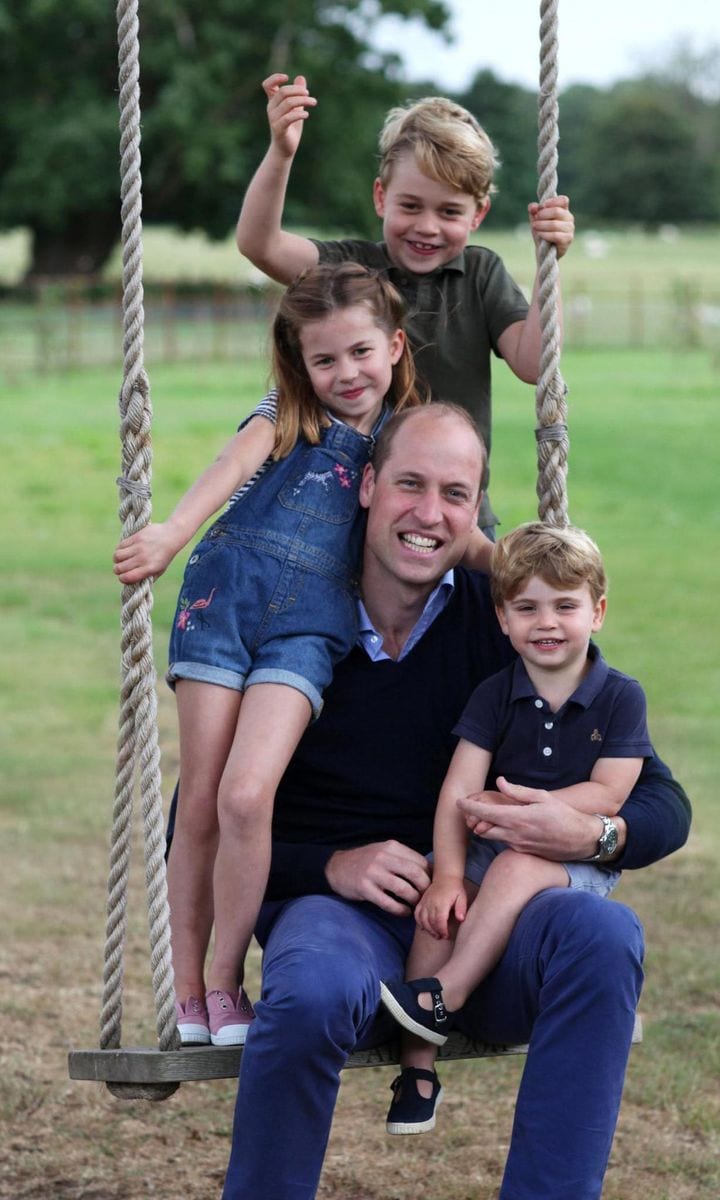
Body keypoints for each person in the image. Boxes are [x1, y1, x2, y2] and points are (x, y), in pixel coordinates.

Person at [218, 404, 691, 1200]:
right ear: (367, 486)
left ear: (475, 513)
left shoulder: (503, 621)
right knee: (309, 990)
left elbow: (662, 802)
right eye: (409, 484)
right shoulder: (293, 622)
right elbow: (197, 826)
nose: (429, 514)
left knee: (602, 933)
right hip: (346, 921)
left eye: (455, 493)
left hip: (491, 926)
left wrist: (591, 832)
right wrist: (332, 865)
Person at [113, 262, 431, 1048]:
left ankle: (226, 978)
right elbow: (232, 465)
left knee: (248, 797)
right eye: (325, 360)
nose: (345, 374)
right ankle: (189, 991)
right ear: (301, 364)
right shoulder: (288, 408)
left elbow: (438, 518)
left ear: (393, 345)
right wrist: (170, 533)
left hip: (310, 625)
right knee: (200, 802)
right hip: (223, 600)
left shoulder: (403, 434)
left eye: (360, 353)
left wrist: (518, 566)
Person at [379, 522, 654, 1136]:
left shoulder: (620, 698)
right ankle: (418, 1067)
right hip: (493, 836)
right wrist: (448, 876)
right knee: (437, 909)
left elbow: (612, 791)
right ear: (502, 618)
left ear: (597, 612)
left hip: (572, 853)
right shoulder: (495, 694)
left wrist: (534, 813)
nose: (547, 622)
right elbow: (457, 791)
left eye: (565, 606)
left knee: (516, 865)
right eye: (527, 607)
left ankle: (446, 992)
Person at [236, 78, 575, 534]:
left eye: (450, 212)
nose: (427, 227)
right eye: (411, 206)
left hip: (455, 514)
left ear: (478, 215)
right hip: (352, 515)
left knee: (473, 603)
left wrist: (546, 264)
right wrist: (281, 152)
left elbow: (534, 364)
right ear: (381, 197)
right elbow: (261, 245)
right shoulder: (352, 270)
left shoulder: (480, 274)